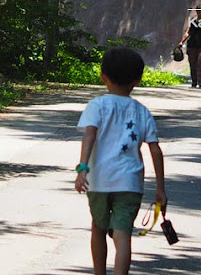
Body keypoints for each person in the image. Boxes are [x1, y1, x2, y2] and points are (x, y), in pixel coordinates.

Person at [75, 48, 167, 275]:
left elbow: (90, 135)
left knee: (98, 228)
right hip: (130, 182)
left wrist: (82, 168)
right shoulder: (141, 111)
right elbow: (155, 150)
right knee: (122, 233)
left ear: (103, 76)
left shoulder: (97, 105)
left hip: (99, 180)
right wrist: (160, 189)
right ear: (137, 80)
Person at [179, 4, 201, 88]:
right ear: (196, 12)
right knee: (192, 64)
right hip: (192, 45)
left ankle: (200, 82)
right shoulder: (192, 21)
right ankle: (194, 82)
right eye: (199, 11)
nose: (200, 13)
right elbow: (188, 32)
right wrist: (182, 41)